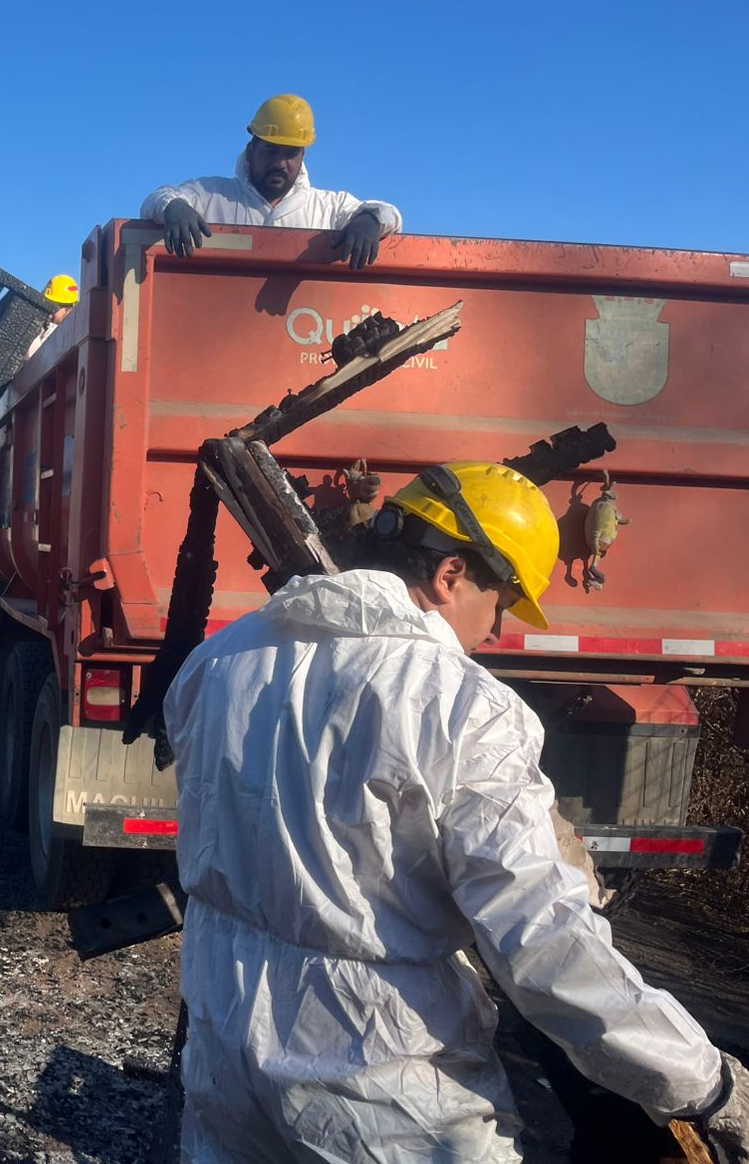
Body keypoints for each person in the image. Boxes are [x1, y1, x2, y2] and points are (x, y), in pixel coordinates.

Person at [163, 461, 749, 1163]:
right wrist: (704, 1083)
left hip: (226, 1058)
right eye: (500, 602)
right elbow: (544, 945)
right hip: (381, 1090)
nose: (496, 629)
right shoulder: (466, 707)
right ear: (449, 576)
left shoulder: (219, 660)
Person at [140, 93, 401, 267]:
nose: (280, 162)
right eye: (271, 150)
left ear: (302, 156)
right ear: (252, 148)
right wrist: (173, 206)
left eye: (291, 153)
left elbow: (389, 214)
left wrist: (370, 219)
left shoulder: (328, 207)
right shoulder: (212, 195)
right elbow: (158, 198)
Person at [27, 273, 79, 358]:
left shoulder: (66, 335)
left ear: (69, 310)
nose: (49, 310)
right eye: (47, 303)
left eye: (55, 305)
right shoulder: (41, 327)